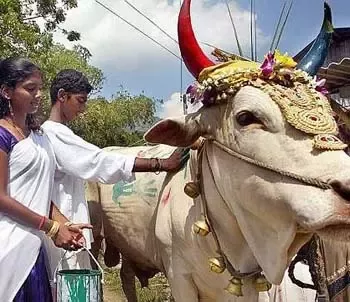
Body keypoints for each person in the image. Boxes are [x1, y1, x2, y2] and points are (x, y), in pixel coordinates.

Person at [42, 69, 189, 280]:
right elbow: (100, 161)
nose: (83, 109)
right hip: (64, 229)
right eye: (80, 100)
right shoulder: (54, 134)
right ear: (62, 96)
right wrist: (160, 163)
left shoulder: (53, 134)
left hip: (64, 228)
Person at [0, 58, 91, 302]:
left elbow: (40, 192)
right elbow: (1, 197)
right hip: (8, 246)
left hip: (34, 246)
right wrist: (51, 227)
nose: (39, 95)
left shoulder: (38, 136)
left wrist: (62, 223)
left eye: (40, 88)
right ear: (6, 91)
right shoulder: (2, 135)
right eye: (30, 89)